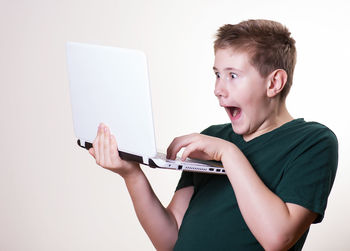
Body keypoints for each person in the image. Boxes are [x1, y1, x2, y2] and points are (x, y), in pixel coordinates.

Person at [88, 19, 338, 251]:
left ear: (273, 83)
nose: (218, 89)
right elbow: (170, 238)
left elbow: (277, 238)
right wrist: (131, 174)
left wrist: (228, 153)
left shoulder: (313, 142)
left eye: (232, 75)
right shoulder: (213, 138)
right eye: (217, 74)